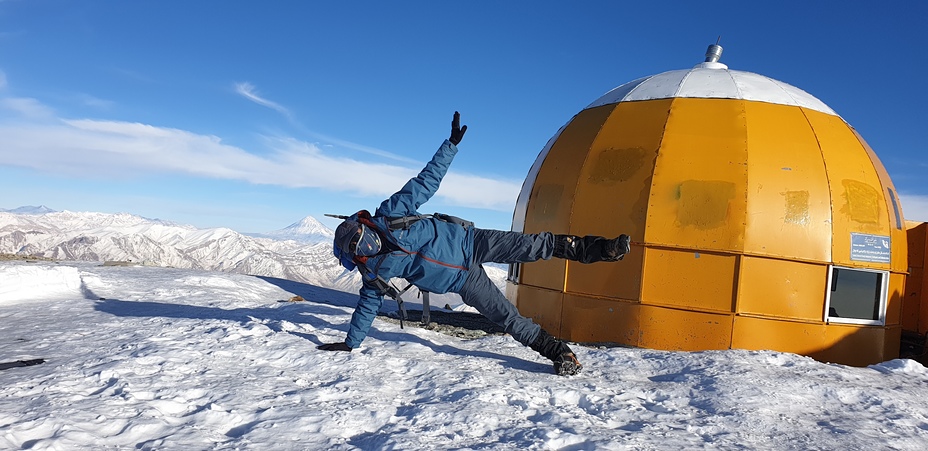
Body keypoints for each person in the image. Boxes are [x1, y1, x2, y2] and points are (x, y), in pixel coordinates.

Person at [318, 112, 630, 376]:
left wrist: (450, 146)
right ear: (354, 257)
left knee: (536, 245)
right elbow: (367, 306)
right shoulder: (373, 272)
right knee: (507, 317)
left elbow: (425, 181)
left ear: (363, 225)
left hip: (473, 241)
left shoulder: (392, 213)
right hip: (464, 280)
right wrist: (351, 342)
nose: (364, 248)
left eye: (360, 240)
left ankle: (602, 249)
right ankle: (559, 353)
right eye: (357, 250)